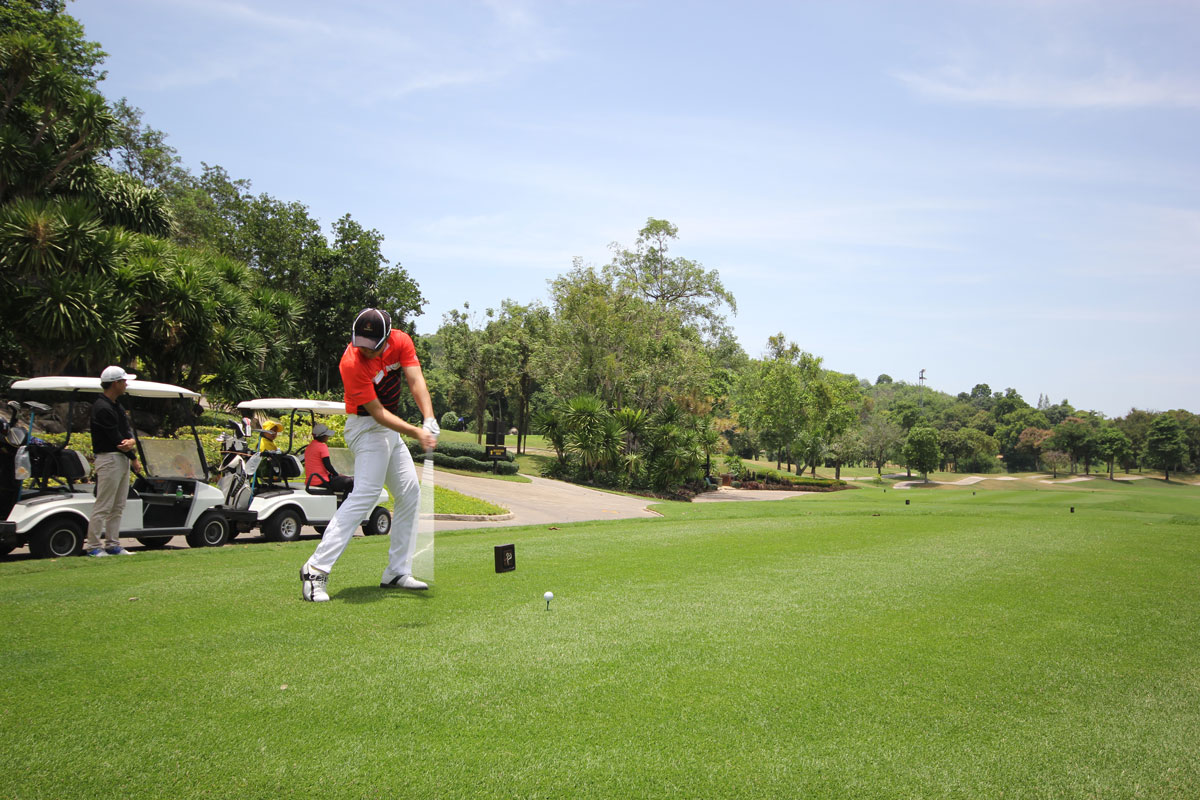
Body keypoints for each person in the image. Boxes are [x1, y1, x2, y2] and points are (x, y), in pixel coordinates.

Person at [300, 308, 438, 602]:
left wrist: (429, 418)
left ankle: (397, 571)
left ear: (386, 339)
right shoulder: (350, 363)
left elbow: (415, 380)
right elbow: (378, 414)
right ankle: (315, 569)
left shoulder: (401, 341)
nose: (364, 349)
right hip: (365, 426)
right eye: (360, 342)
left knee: (409, 493)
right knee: (366, 494)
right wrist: (417, 432)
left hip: (388, 431)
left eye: (371, 345)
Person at [86, 366, 142, 557]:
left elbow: (126, 433)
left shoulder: (116, 405)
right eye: (123, 381)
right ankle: (93, 546)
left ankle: (113, 544)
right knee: (104, 505)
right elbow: (116, 439)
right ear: (115, 383)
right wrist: (133, 454)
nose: (126, 384)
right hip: (109, 458)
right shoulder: (102, 407)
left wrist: (131, 444)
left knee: (118, 505)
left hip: (120, 459)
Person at [304, 422, 353, 493]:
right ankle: (346, 501)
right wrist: (337, 475)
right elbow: (327, 465)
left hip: (310, 481)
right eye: (327, 435)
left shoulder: (309, 447)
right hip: (321, 481)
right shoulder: (322, 446)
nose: (328, 437)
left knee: (341, 481)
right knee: (350, 482)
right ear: (322, 436)